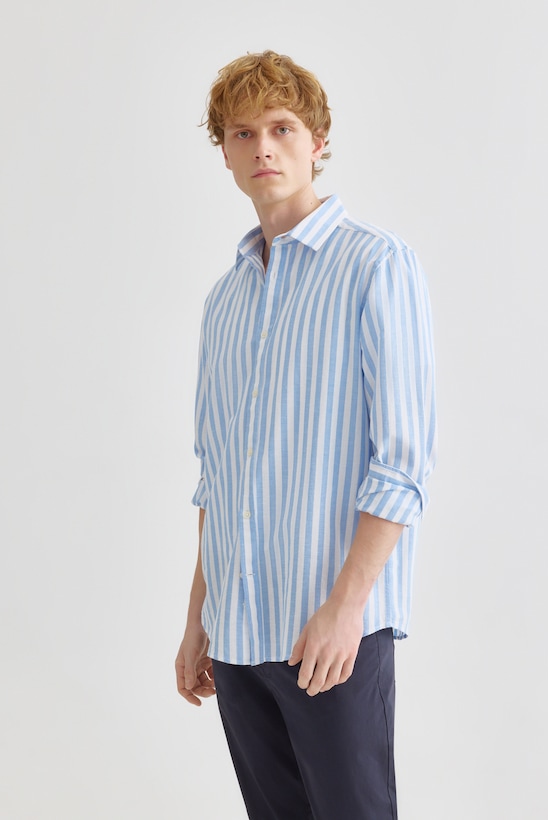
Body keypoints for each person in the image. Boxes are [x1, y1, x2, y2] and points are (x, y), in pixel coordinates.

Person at [175, 49, 437, 820]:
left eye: (281, 128)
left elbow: (402, 462)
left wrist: (344, 608)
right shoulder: (224, 301)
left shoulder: (375, 265)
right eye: (242, 133)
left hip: (328, 631)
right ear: (224, 152)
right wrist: (198, 619)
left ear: (317, 141)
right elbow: (217, 476)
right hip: (236, 636)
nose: (262, 147)